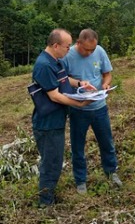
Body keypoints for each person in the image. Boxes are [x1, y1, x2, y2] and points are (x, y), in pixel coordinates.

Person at [31, 28, 93, 206]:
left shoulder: (56, 61)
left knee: (55, 161)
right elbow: (55, 96)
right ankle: (45, 203)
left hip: (56, 121)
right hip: (48, 124)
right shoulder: (44, 65)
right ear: (56, 45)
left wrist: (80, 83)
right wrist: (79, 103)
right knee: (51, 164)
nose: (69, 49)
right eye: (67, 46)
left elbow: (65, 80)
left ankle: (48, 196)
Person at [63, 29, 122, 194]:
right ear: (78, 43)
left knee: (106, 142)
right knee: (77, 146)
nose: (89, 53)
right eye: (86, 50)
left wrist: (105, 84)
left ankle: (111, 172)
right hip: (78, 109)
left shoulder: (100, 51)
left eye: (92, 50)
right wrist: (79, 83)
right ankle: (80, 180)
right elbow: (63, 78)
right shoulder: (68, 55)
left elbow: (107, 74)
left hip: (99, 107)